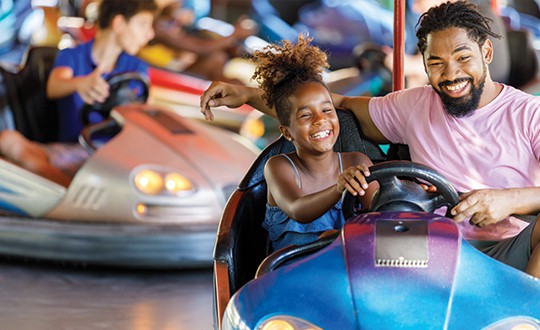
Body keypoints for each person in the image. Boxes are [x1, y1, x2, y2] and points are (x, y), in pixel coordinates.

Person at [200, 1, 540, 277]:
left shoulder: (529, 113)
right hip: (425, 248)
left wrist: (508, 200)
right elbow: (328, 107)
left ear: (487, 53)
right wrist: (244, 94)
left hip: (506, 249)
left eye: (463, 58)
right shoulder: (415, 104)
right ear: (424, 63)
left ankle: (527, 312)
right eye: (437, 63)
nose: (451, 74)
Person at [0, 0, 158, 187]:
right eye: (143, 24)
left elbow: (146, 116)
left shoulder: (137, 68)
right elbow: (55, 86)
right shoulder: (73, 56)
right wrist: (80, 84)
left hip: (115, 154)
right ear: (119, 23)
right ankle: (71, 191)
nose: (150, 34)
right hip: (75, 149)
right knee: (8, 141)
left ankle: (63, 188)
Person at [250, 34, 378, 251]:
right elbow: (297, 209)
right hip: (292, 273)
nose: (321, 120)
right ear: (287, 132)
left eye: (327, 110)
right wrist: (339, 188)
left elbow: (380, 213)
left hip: (349, 273)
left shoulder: (356, 161)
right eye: (306, 115)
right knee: (329, 239)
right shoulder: (279, 167)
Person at [138, 0, 255, 82]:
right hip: (159, 75)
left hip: (169, 68)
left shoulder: (168, 22)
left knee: (220, 60)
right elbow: (202, 48)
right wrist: (236, 34)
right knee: (216, 59)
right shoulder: (156, 26)